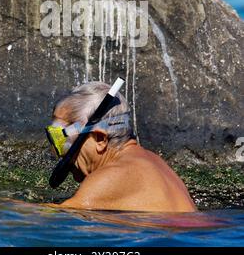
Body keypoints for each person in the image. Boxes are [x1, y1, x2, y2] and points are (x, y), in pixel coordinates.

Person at [45, 82, 196, 212]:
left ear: (100, 139)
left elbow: (51, 219)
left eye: (60, 140)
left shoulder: (110, 178)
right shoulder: (157, 164)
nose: (59, 154)